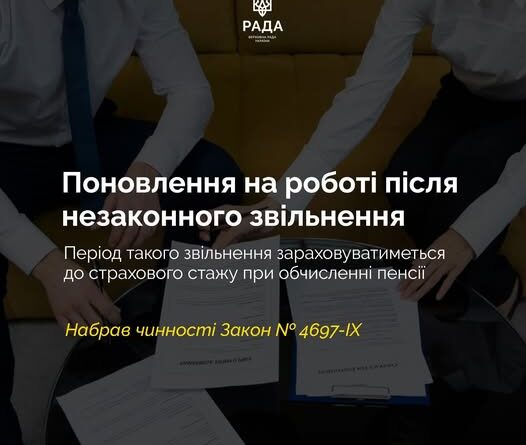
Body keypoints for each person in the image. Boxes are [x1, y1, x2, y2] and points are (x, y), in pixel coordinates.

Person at [0, 0, 242, 443]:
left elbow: (192, 91)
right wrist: (49, 266)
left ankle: (183, 348)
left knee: (213, 173)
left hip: (87, 134)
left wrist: (147, 173)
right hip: (6, 146)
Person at [202, 0, 525, 313]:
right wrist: (280, 203)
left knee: (467, 180)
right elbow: (367, 90)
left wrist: (467, 236)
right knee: (404, 182)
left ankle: (498, 291)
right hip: (464, 93)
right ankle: (480, 280)